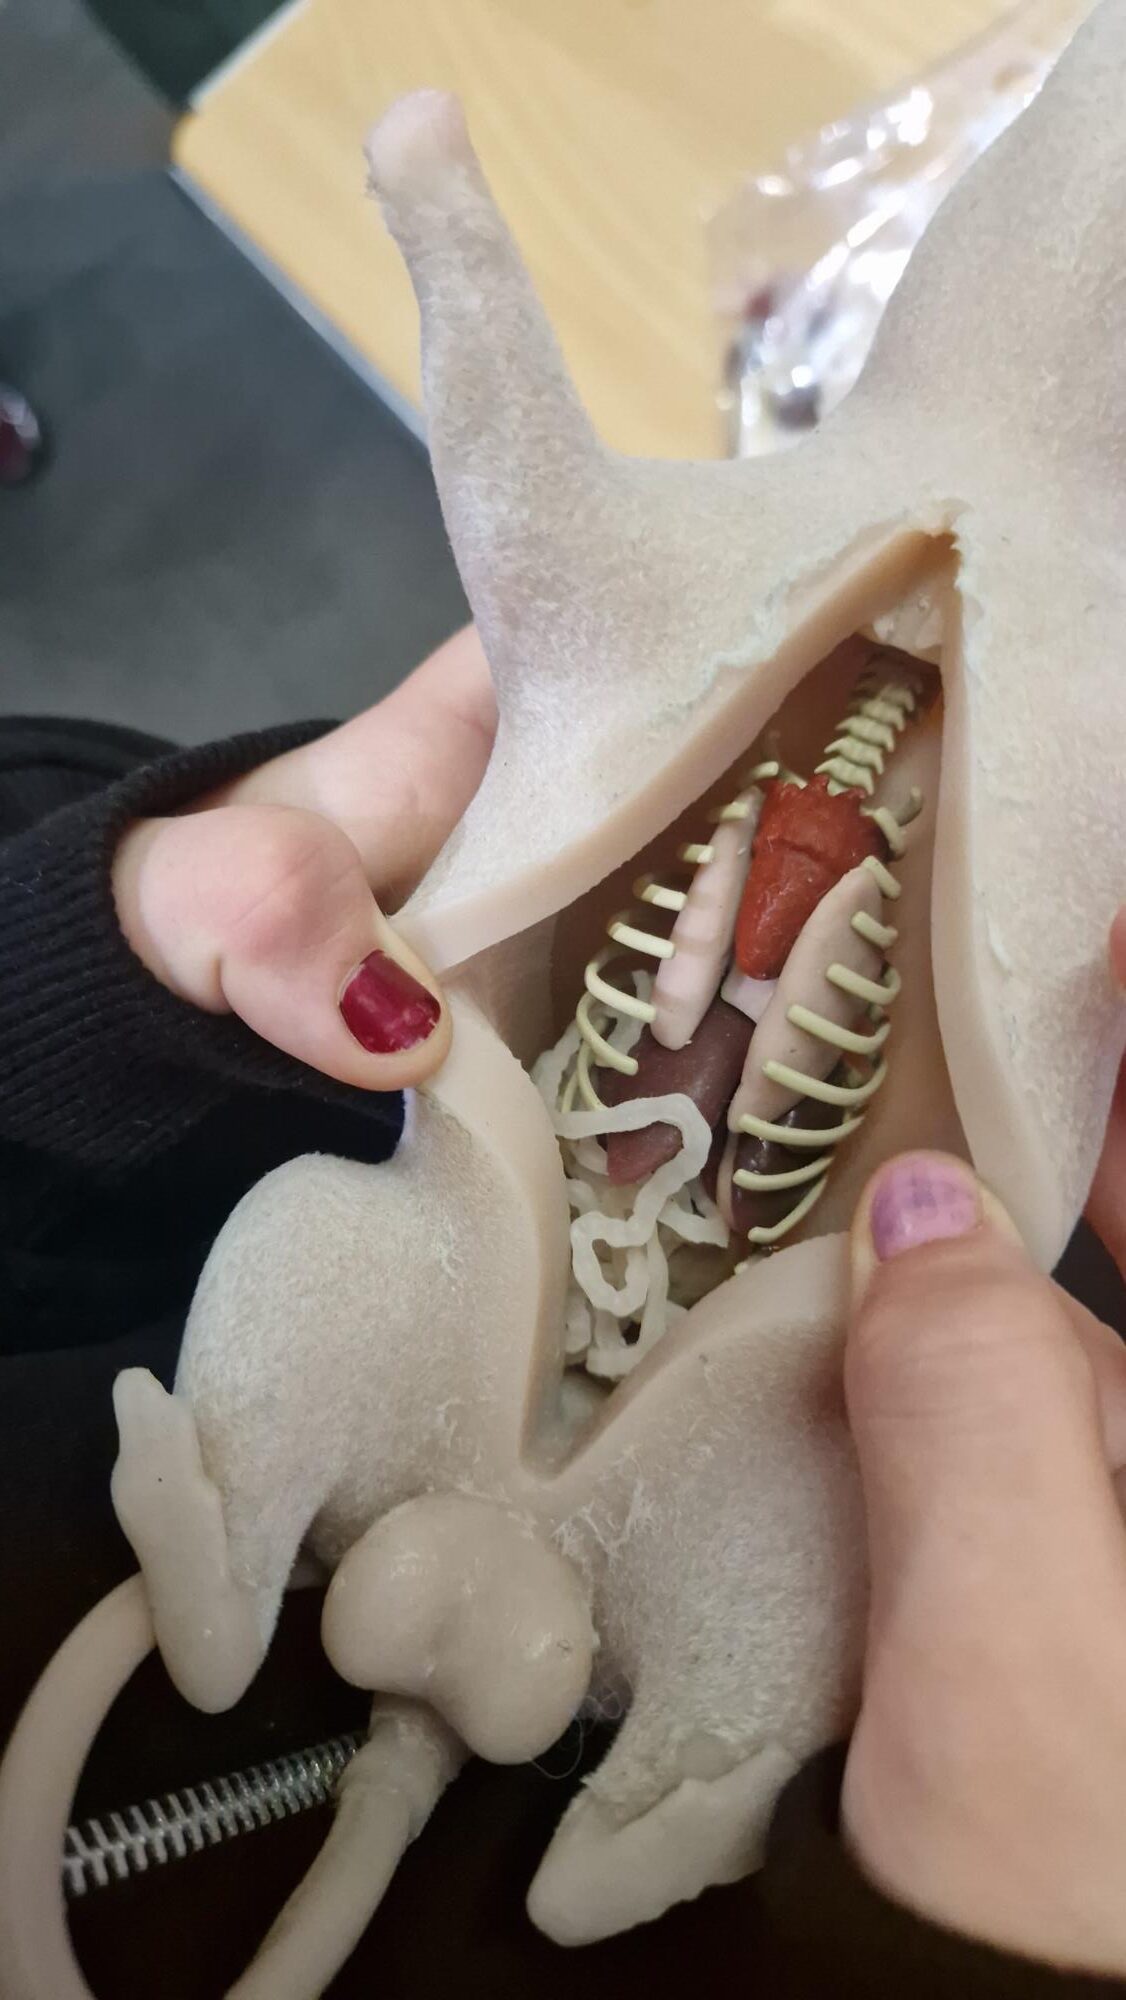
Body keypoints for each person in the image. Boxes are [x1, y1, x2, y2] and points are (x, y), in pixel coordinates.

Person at [1, 629, 1123, 1996]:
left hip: (712, 1472)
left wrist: (84, 973)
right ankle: (238, 1546)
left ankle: (672, 1777)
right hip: (458, 1332)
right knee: (325, 1227)